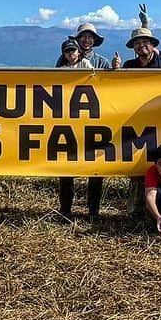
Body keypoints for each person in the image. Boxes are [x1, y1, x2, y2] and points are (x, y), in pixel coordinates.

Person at [121, 26, 161, 215]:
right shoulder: (128, 66)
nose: (141, 46)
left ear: (153, 45)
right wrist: (114, 73)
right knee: (137, 168)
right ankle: (136, 211)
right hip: (136, 123)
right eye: (137, 43)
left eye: (145, 42)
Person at [56, 37, 101, 221]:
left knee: (96, 169)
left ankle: (93, 211)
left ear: (78, 52)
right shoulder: (59, 70)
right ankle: (65, 209)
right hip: (69, 124)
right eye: (67, 51)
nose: (70, 54)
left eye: (73, 51)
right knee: (66, 169)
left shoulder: (90, 66)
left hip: (90, 124)